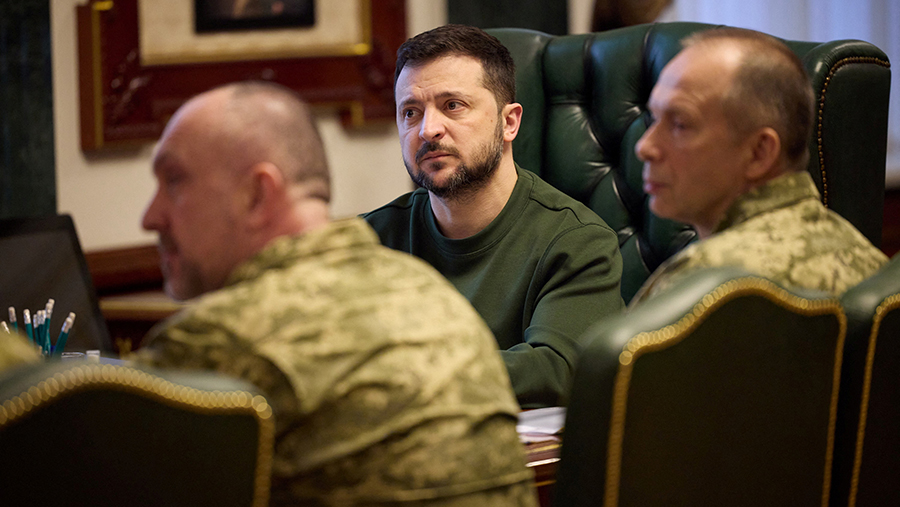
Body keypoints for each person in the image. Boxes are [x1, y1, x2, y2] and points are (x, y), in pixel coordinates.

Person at [135, 82, 538, 506]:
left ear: (257, 194)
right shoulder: (432, 295)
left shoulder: (221, 337)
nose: (150, 217)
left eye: (174, 181)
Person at [363, 25, 625, 409]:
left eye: (453, 105)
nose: (428, 129)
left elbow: (558, 369)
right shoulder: (370, 242)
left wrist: (406, 375)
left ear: (509, 122)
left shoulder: (578, 241)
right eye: (411, 112)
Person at [630, 27, 888, 304]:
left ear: (759, 153)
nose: (644, 147)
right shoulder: (872, 265)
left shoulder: (705, 283)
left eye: (680, 124)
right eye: (654, 119)